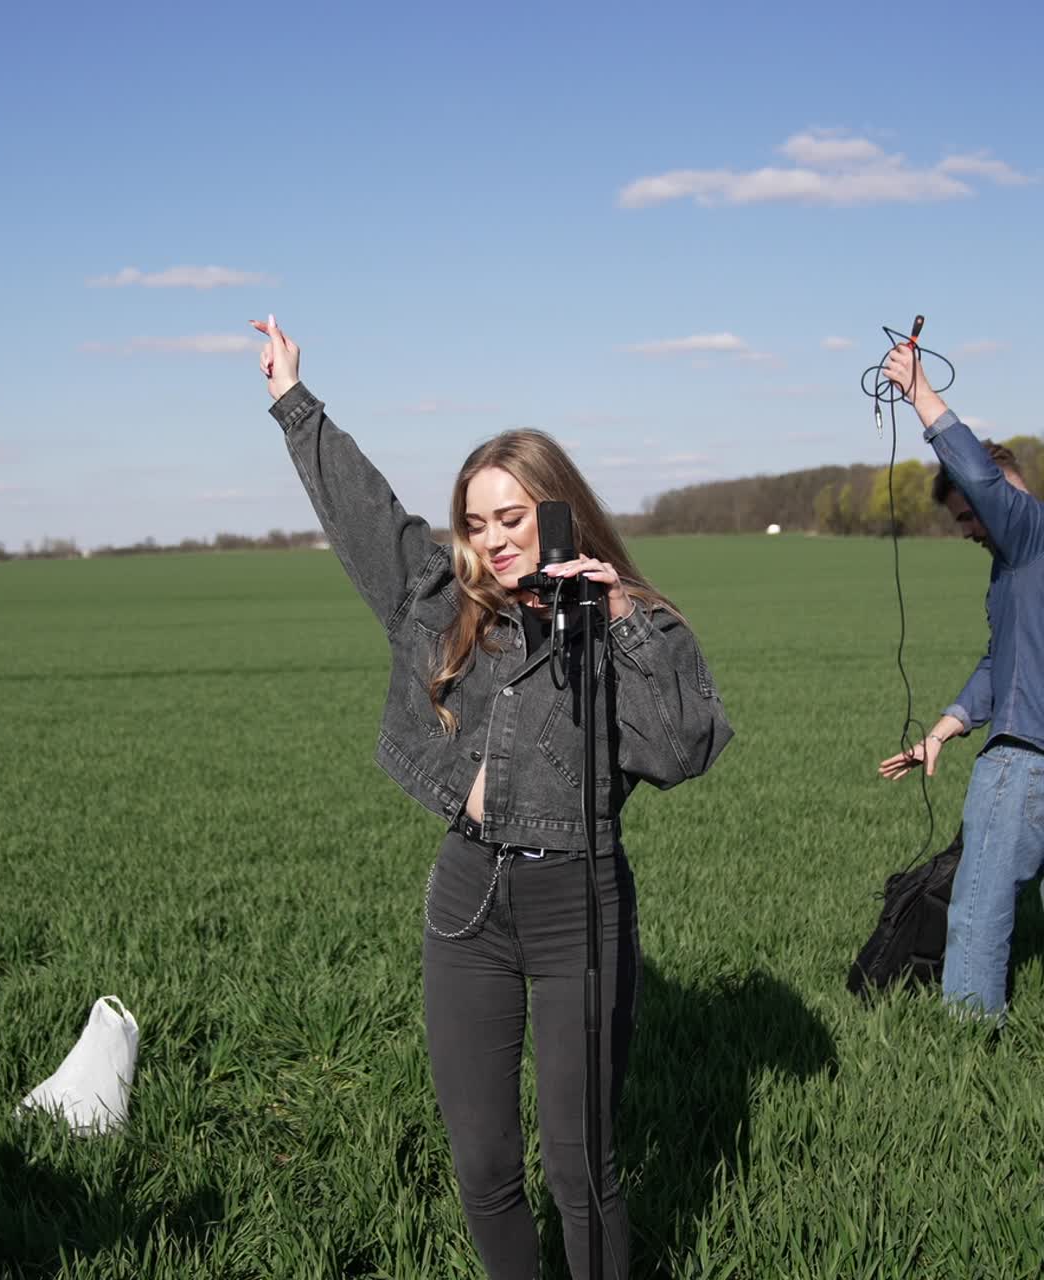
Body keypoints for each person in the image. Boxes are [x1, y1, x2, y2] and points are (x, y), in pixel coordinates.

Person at [251, 315, 732, 1279]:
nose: (493, 540)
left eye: (512, 518)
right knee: (482, 1166)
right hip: (466, 900)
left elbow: (681, 751)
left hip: (576, 905)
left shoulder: (624, 623)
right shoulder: (444, 604)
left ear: (560, 511)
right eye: (476, 522)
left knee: (581, 1170)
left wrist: (618, 617)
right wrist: (292, 404)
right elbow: (366, 516)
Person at [878, 340, 1044, 1019]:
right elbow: (1003, 661)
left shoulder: (1027, 534)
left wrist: (919, 391)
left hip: (1025, 761)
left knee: (976, 910)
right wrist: (944, 729)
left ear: (1003, 497)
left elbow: (977, 476)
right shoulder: (1020, 568)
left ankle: (970, 1045)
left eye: (969, 518)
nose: (967, 531)